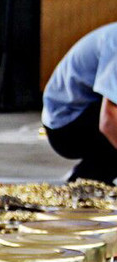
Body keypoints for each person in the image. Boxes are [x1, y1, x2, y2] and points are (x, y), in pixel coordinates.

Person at [43, 23, 117, 185]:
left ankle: (90, 173)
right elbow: (109, 120)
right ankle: (87, 178)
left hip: (88, 113)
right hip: (66, 127)